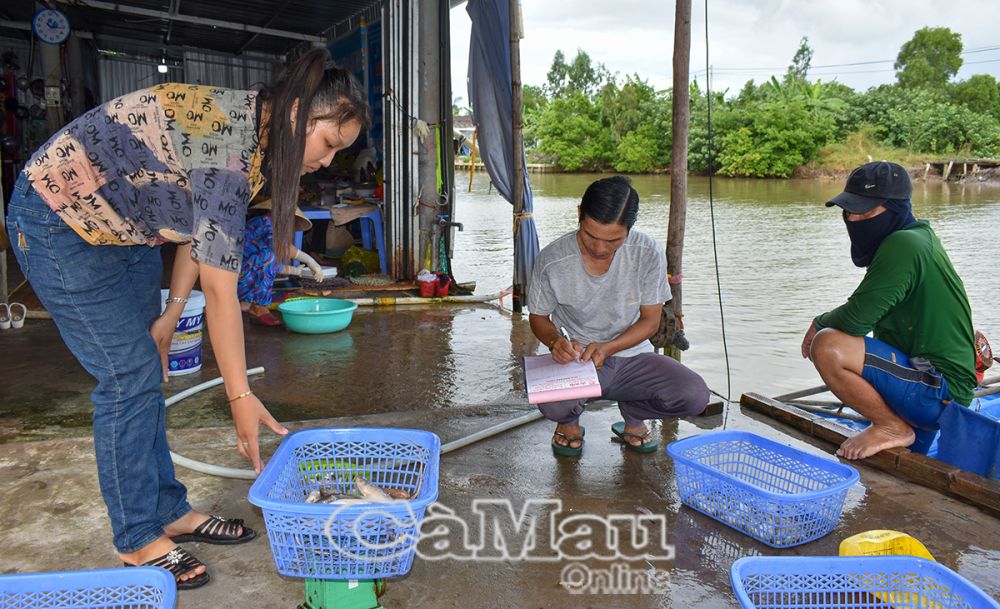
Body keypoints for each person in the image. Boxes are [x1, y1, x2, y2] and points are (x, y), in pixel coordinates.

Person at [5, 48, 369, 588]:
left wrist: (171, 316)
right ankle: (136, 538)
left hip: (126, 231)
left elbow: (195, 241)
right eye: (330, 143)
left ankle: (167, 509)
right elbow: (222, 295)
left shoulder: (256, 140)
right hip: (58, 221)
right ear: (299, 116)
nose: (328, 161)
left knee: (146, 370)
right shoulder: (231, 140)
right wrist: (240, 398)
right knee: (127, 377)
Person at [801, 161, 976, 461]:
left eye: (866, 212)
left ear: (895, 209)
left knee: (829, 344)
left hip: (938, 387)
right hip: (923, 376)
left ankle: (890, 425)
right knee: (896, 471)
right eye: (849, 211)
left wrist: (819, 323)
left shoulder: (904, 243)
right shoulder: (918, 237)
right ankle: (895, 427)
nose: (854, 218)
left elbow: (857, 320)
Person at [527, 176, 710, 457]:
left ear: (629, 229)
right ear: (579, 214)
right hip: (578, 360)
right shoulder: (552, 259)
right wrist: (555, 343)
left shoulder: (647, 251)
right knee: (553, 405)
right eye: (591, 236)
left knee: (694, 395)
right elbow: (538, 317)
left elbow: (651, 321)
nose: (600, 248)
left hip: (635, 357)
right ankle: (568, 421)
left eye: (614, 240)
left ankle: (634, 414)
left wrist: (609, 347)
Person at [238, 198, 324, 326]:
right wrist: (310, 261)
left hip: (241, 277)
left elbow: (269, 266)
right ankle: (257, 307)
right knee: (269, 256)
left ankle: (249, 303)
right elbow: (283, 250)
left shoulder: (267, 227)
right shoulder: (263, 223)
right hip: (236, 278)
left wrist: (297, 271)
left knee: (269, 257)